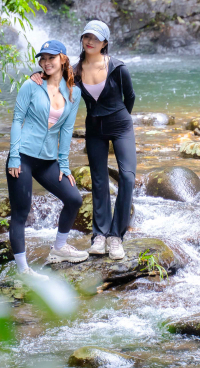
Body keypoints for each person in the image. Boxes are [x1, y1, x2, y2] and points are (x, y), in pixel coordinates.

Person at [32, 20, 136, 260]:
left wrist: (119, 117)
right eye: (87, 36)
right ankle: (100, 235)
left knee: (127, 177)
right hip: (94, 129)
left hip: (121, 126)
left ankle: (116, 236)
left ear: (104, 43)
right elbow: (52, 79)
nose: (90, 41)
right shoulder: (75, 71)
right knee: (99, 180)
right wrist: (36, 75)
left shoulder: (119, 68)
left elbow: (129, 97)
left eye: (96, 38)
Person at [6, 39, 88, 279]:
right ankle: (23, 271)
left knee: (74, 199)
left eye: (51, 58)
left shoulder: (74, 92)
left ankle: (59, 248)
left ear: (62, 58)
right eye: (42, 58)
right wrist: (13, 157)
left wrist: (64, 164)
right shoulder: (31, 85)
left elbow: (66, 130)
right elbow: (17, 121)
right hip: (23, 156)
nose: (46, 62)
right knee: (21, 212)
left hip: (48, 160)